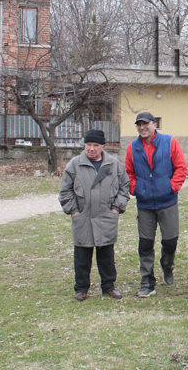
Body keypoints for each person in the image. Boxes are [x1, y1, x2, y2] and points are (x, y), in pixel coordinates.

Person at [59, 129, 130, 301]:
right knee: (82, 255)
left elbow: (124, 188)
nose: (91, 149)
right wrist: (74, 211)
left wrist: (116, 209)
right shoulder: (74, 165)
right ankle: (81, 288)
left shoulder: (114, 165)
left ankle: (109, 286)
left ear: (103, 146)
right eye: (88, 145)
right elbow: (65, 191)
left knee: (107, 255)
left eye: (95, 145)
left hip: (106, 217)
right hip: (83, 216)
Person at [125, 112, 187, 298]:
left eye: (145, 124)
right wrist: (135, 188)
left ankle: (167, 264)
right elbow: (128, 172)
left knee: (170, 240)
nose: (142, 128)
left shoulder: (169, 142)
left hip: (167, 201)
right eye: (139, 125)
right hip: (145, 204)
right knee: (145, 243)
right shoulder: (132, 147)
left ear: (154, 124)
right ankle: (147, 280)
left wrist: (171, 187)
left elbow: (181, 168)